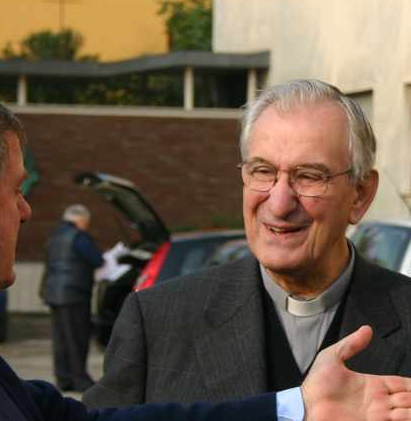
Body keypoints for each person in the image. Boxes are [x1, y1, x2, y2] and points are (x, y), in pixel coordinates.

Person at [0, 77, 411, 421]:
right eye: (17, 191)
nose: (27, 210)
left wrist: (293, 408)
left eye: (309, 176)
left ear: (360, 194)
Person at [84, 78, 411, 408]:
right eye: (263, 171)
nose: (279, 203)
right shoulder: (158, 322)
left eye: (309, 176)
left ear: (360, 194)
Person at [41, 204, 104, 391]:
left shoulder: (55, 236)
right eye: (87, 222)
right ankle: (80, 380)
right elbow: (97, 260)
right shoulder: (79, 236)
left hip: (54, 293)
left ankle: (64, 379)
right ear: (81, 219)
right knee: (77, 338)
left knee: (60, 339)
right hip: (74, 294)